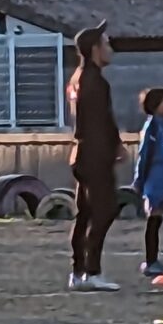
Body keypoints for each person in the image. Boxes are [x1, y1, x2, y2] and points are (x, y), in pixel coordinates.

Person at [65, 23, 123, 292]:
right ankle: (92, 270)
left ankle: (78, 271)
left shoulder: (77, 77)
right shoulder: (95, 81)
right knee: (104, 209)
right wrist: (113, 148)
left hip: (80, 153)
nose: (110, 49)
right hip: (95, 154)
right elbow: (101, 121)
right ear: (95, 49)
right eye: (106, 43)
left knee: (85, 213)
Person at [132, 86, 163, 279]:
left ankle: (153, 259)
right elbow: (144, 155)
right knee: (154, 219)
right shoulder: (152, 126)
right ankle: (151, 260)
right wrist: (139, 180)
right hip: (154, 179)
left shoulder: (161, 125)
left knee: (158, 219)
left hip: (162, 178)